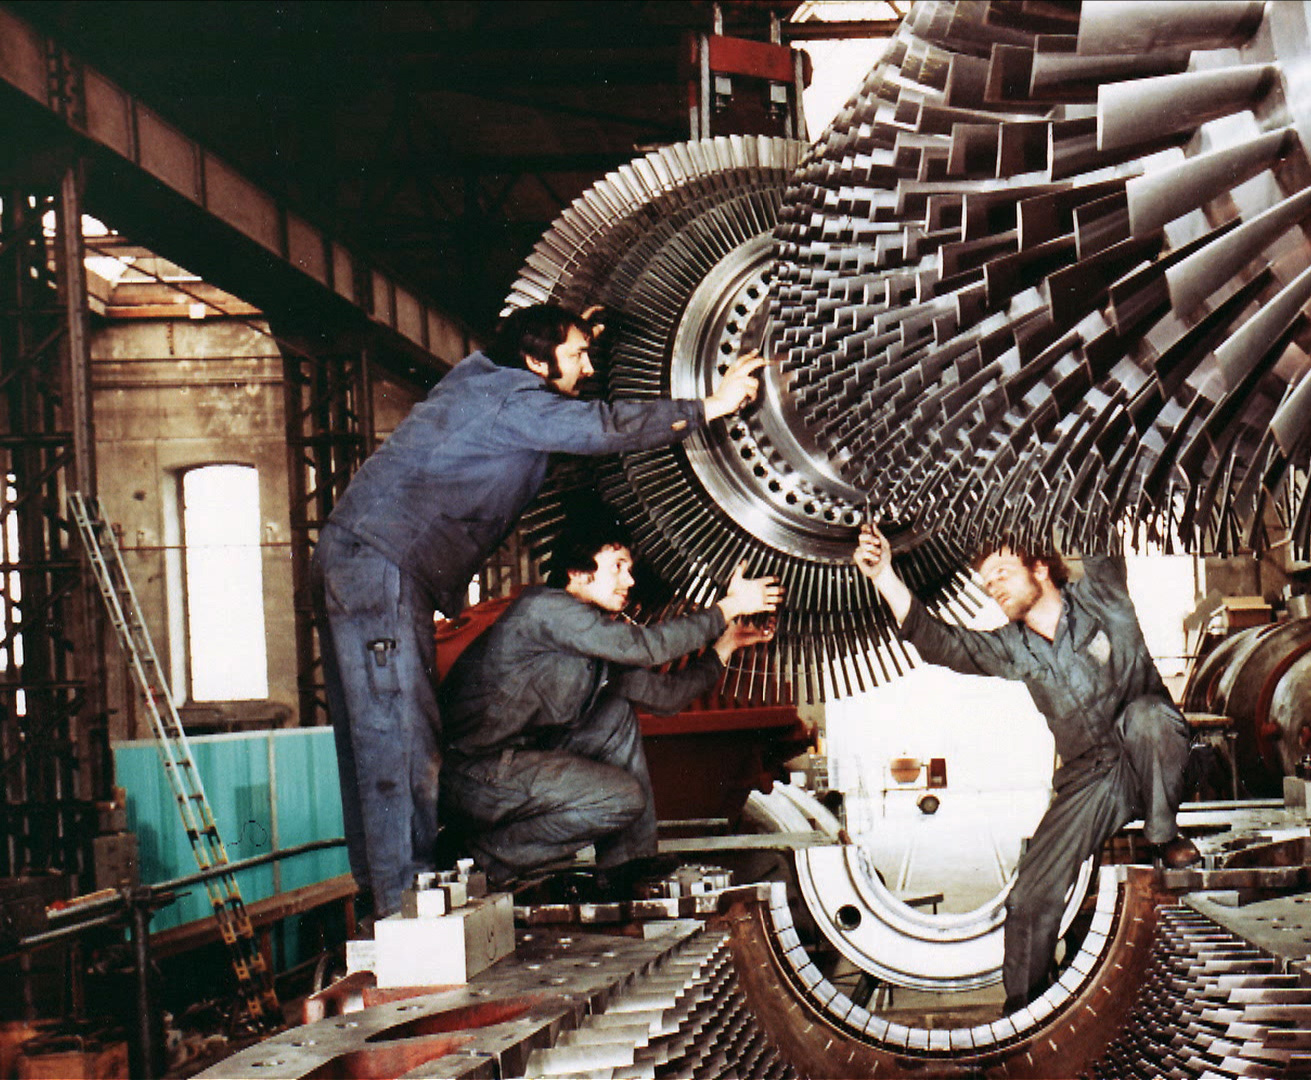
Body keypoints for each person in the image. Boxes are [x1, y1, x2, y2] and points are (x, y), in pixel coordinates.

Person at [315, 302, 767, 918]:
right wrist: (709, 407)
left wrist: (570, 330)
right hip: (381, 564)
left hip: (365, 559)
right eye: (578, 355)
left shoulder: (484, 378)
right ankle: (405, 913)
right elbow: (601, 426)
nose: (588, 368)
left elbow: (655, 692)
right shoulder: (515, 401)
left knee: (375, 735)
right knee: (397, 735)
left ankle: (619, 872)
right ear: (533, 360)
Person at [853, 525, 1198, 1014]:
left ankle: (1163, 837)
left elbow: (1099, 526)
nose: (992, 586)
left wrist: (1055, 494)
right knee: (1029, 899)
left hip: (1153, 751)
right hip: (1090, 779)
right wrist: (884, 576)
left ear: (1040, 568)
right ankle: (1024, 1012)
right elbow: (941, 643)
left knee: (1148, 718)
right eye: (986, 581)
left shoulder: (1104, 598)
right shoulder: (1013, 646)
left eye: (1001, 572)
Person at [437, 520, 780, 887]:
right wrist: (729, 607)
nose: (629, 581)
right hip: (472, 775)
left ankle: (627, 862)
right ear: (577, 572)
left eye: (629, 569)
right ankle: (476, 858)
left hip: (511, 763)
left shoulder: (592, 638)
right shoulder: (543, 609)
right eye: (617, 566)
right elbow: (647, 647)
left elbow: (665, 698)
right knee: (620, 800)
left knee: (614, 714)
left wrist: (725, 646)